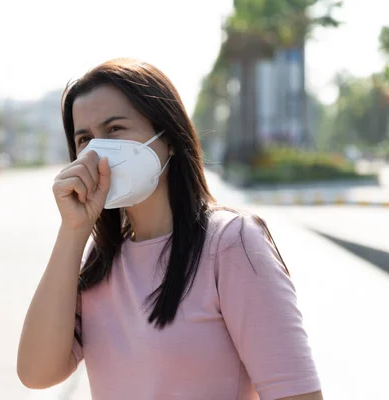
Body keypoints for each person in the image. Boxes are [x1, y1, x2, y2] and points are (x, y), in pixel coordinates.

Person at [17, 58, 322, 400]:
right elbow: (35, 373)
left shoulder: (231, 243)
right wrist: (72, 232)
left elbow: (297, 394)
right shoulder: (97, 259)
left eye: (115, 129)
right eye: (85, 138)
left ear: (169, 138)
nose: (99, 151)